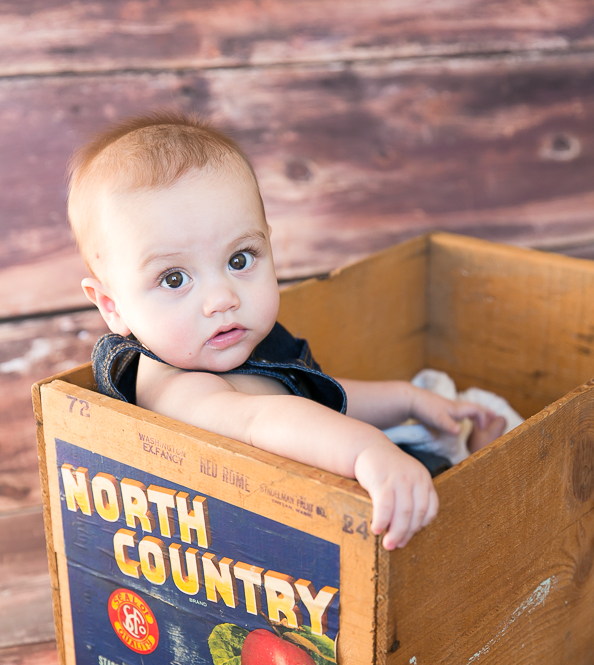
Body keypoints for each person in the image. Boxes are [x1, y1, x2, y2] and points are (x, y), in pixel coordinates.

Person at [67, 111, 505, 551]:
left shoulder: (223, 341)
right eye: (174, 279)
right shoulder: (176, 390)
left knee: (431, 471)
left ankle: (466, 454)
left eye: (240, 259)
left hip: (333, 473)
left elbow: (319, 397)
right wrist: (366, 450)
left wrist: (406, 398)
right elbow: (270, 419)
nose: (222, 297)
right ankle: (463, 459)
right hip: (291, 544)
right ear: (112, 306)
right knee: (426, 500)